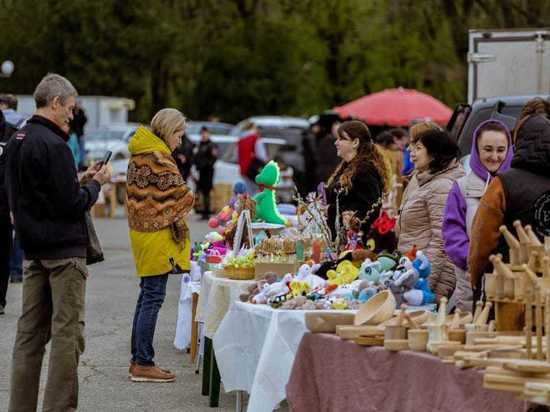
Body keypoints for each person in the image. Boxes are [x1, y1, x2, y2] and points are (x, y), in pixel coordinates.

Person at [6, 73, 111, 412]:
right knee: (67, 336)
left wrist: (80, 179)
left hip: (33, 250)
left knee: (29, 337)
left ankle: (20, 406)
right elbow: (71, 204)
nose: (72, 114)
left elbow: (38, 192)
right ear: (54, 103)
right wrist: (96, 187)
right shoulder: (55, 145)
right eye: (69, 107)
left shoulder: (19, 138)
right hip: (64, 254)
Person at [126, 108, 194, 383]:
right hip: (157, 237)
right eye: (179, 134)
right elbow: (183, 197)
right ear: (169, 131)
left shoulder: (139, 152)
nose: (180, 141)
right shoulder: (160, 158)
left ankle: (138, 359)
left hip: (141, 235)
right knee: (152, 298)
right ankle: (143, 362)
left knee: (146, 297)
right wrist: (188, 199)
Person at [469, 100, 550, 307]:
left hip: (508, 293)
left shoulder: (503, 184)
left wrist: (476, 280)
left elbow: (482, 243)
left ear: (519, 139)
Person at [442, 120, 513, 312]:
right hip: (470, 279)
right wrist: (472, 261)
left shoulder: (515, 186)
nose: (494, 156)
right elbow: (452, 231)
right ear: (476, 149)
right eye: (488, 149)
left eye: (501, 150)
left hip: (509, 279)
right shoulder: (461, 187)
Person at [397, 123, 464, 302]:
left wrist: (424, 285)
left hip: (429, 282)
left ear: (434, 155)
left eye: (418, 148)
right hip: (415, 271)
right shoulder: (427, 180)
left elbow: (441, 243)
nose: (411, 152)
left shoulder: (441, 186)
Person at [326, 120, 389, 248]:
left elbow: (371, 209)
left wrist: (352, 219)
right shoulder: (347, 166)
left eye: (341, 139)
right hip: (340, 239)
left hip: (357, 244)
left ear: (355, 142)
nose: (336, 142)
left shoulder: (365, 170)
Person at [194, 126, 218, 219]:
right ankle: (203, 211)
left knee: (207, 191)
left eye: (205, 133)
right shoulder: (200, 144)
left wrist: (207, 164)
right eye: (202, 134)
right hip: (201, 171)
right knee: (201, 191)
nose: (203, 135)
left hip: (208, 171)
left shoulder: (211, 145)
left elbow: (214, 158)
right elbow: (196, 156)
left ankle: (207, 212)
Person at [237, 121, 266, 193]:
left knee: (248, 192)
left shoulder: (241, 140)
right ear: (253, 128)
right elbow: (261, 155)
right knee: (257, 192)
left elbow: (237, 155)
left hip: (243, 170)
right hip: (253, 169)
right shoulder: (255, 138)